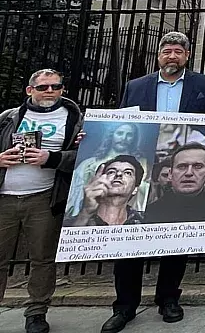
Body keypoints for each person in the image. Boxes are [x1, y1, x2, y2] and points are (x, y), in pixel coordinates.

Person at [102, 32, 205, 333]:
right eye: (167, 51)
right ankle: (124, 306)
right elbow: (121, 123)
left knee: (175, 238)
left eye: (178, 52)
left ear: (187, 55)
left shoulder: (203, 85)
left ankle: (168, 298)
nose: (172, 56)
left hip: (178, 172)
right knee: (129, 242)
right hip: (139, 172)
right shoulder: (136, 86)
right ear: (159, 55)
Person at [0, 69, 82, 333]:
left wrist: (51, 159)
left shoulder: (74, 120)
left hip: (45, 197)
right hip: (5, 197)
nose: (50, 91)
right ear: (29, 90)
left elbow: (83, 158)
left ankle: (36, 311)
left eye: (55, 87)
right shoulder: (8, 118)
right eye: (43, 87)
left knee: (43, 258)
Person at [67, 122, 147, 217]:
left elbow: (144, 193)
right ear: (112, 135)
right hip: (90, 214)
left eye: (129, 135)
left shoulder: (143, 163)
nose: (123, 138)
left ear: (134, 138)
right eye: (120, 133)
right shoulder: (88, 164)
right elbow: (76, 194)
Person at [144, 144, 205, 224]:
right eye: (182, 167)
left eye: (198, 166)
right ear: (170, 174)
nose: (189, 173)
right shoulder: (148, 214)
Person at [69, 156, 146, 227]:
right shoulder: (73, 222)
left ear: (135, 189)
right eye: (111, 172)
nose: (118, 174)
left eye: (128, 173)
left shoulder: (145, 221)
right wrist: (85, 214)